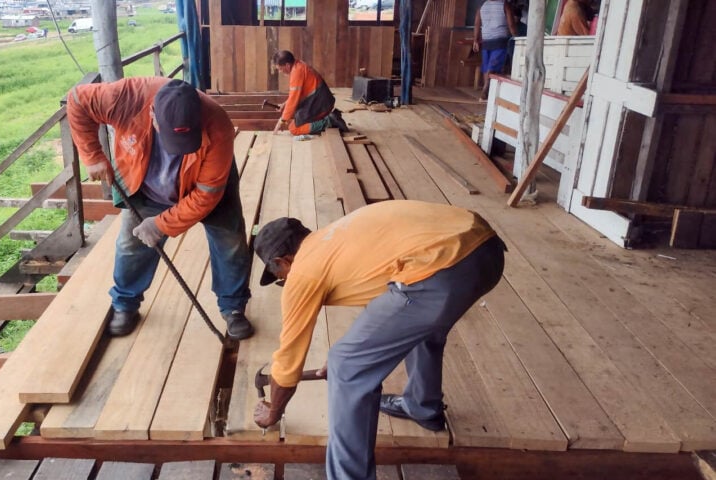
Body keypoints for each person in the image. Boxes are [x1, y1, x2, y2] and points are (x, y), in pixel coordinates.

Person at [252, 200, 506, 480]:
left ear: (281, 261)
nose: (283, 281)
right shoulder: (337, 236)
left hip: (441, 271)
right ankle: (422, 406)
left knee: (347, 365)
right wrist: (364, 349)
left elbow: (287, 364)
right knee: (421, 323)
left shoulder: (303, 272)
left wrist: (272, 411)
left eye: (278, 276)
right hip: (485, 250)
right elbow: (385, 303)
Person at [67, 78, 255, 340]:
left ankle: (233, 307)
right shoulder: (125, 98)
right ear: (152, 114)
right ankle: (125, 304)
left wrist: (160, 225)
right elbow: (77, 99)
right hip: (147, 182)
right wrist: (92, 155)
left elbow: (205, 196)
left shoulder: (218, 125)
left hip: (205, 182)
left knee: (230, 240)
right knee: (130, 245)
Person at [271, 50, 347, 136]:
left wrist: (282, 120)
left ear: (287, 65)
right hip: (322, 101)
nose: (280, 72)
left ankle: (330, 121)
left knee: (294, 129)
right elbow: (296, 95)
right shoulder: (298, 65)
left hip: (322, 104)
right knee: (294, 120)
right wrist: (285, 104)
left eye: (280, 69)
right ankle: (331, 118)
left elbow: (293, 100)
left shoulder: (297, 73)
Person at [473, 0, 518, 99]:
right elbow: (511, 24)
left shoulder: (482, 6)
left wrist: (476, 40)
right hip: (500, 40)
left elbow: (477, 24)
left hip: (486, 41)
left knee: (487, 66)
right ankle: (486, 89)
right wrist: (517, 37)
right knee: (493, 66)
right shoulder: (504, 4)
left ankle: (486, 90)